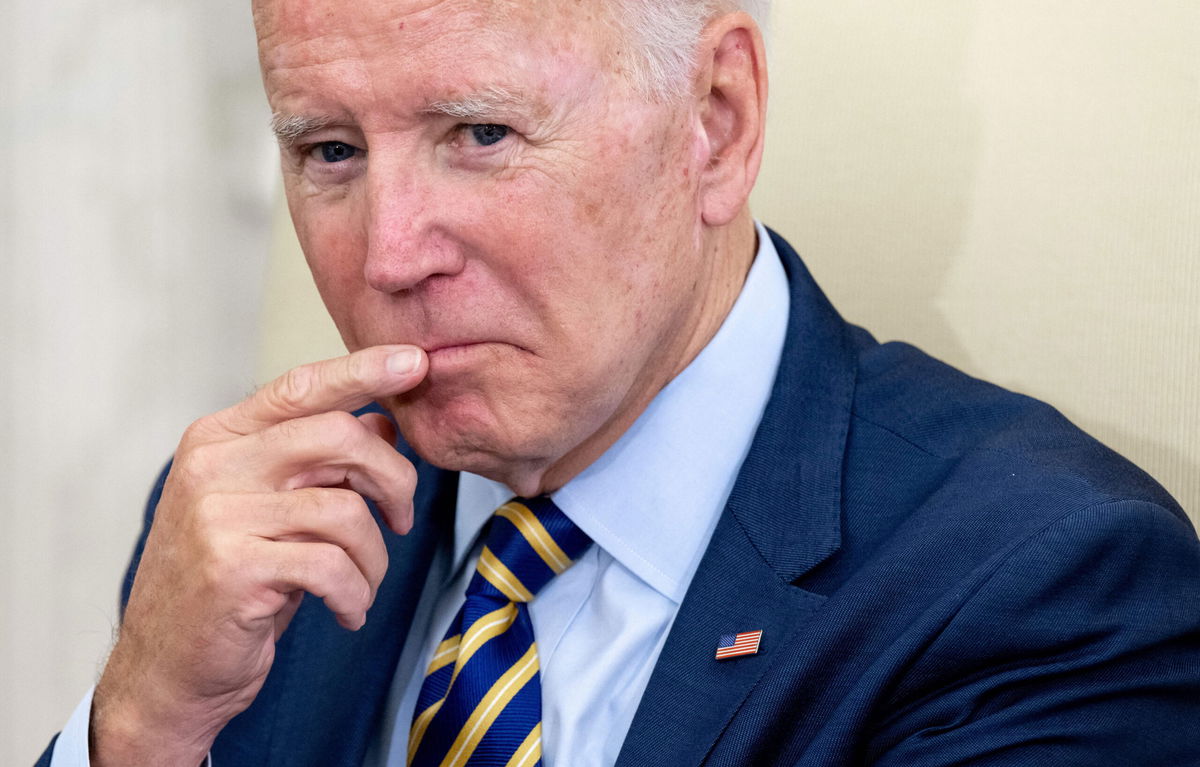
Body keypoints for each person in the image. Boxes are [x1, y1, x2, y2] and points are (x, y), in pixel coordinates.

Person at [38, 0, 1200, 765]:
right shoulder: (251, 540)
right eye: (329, 152)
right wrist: (133, 731)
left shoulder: (1043, 588)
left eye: (480, 133)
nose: (389, 254)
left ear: (717, 120)